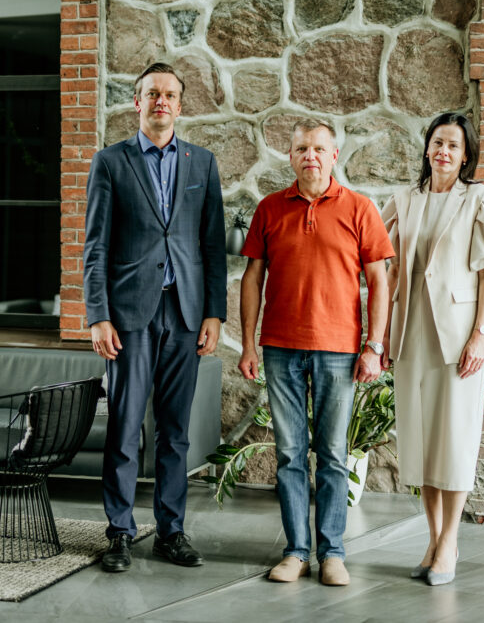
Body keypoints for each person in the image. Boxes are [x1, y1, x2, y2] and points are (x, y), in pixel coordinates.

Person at [84, 62, 227, 573]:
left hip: (185, 313)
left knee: (175, 431)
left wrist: (214, 314)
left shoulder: (202, 163)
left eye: (169, 94)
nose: (161, 101)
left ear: (180, 106)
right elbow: (96, 247)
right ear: (137, 103)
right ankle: (119, 533)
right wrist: (98, 315)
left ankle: (171, 531)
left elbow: (212, 246)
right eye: (152, 94)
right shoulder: (110, 162)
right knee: (125, 427)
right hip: (129, 315)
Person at [238, 119, 394, 587]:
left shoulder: (360, 208)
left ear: (334, 156)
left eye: (319, 149)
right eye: (302, 148)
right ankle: (295, 552)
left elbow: (379, 282)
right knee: (289, 455)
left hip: (338, 351)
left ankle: (332, 553)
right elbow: (252, 278)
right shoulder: (269, 208)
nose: (311, 156)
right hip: (279, 348)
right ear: (290, 156)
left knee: (332, 455)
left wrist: (374, 346)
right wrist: (247, 343)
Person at [382, 112, 484, 586]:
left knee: (454, 442)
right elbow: (391, 270)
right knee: (421, 443)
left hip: (458, 339)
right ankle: (435, 540)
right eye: (438, 142)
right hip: (410, 333)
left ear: (465, 155)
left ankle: (451, 541)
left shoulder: (480, 199)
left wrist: (481, 333)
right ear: (427, 147)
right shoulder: (404, 200)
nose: (444, 152)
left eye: (454, 146)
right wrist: (381, 334)